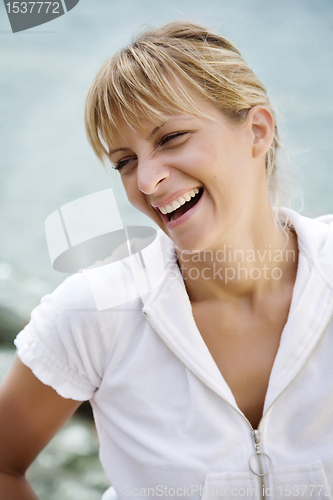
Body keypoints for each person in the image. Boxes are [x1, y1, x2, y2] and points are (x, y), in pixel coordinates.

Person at [1, 20, 333, 500]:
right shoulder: (95, 313)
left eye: (171, 137)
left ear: (257, 132)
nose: (147, 180)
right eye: (124, 161)